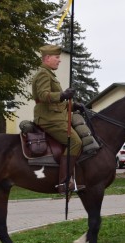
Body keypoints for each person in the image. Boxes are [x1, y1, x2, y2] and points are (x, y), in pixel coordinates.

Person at [32, 44, 85, 194]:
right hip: (49, 119)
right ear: (47, 58)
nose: (59, 61)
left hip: (55, 116)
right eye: (57, 57)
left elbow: (58, 102)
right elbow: (43, 95)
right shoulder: (43, 74)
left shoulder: (49, 74)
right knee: (75, 142)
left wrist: (74, 105)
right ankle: (64, 182)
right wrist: (63, 95)